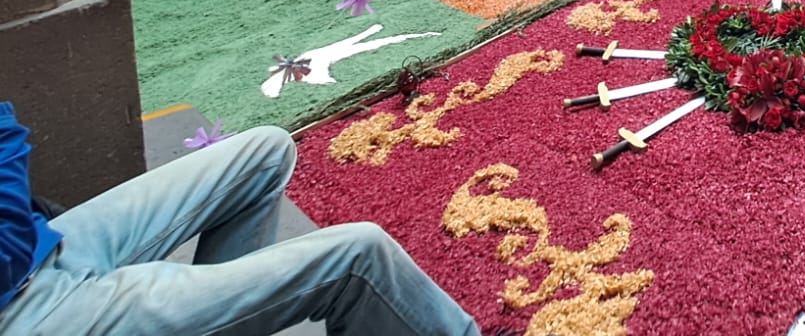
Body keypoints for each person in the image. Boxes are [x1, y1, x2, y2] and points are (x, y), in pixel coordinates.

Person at [0, 103, 478, 335]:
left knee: (266, 150)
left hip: (42, 246)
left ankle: (211, 315)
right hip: (23, 310)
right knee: (358, 254)